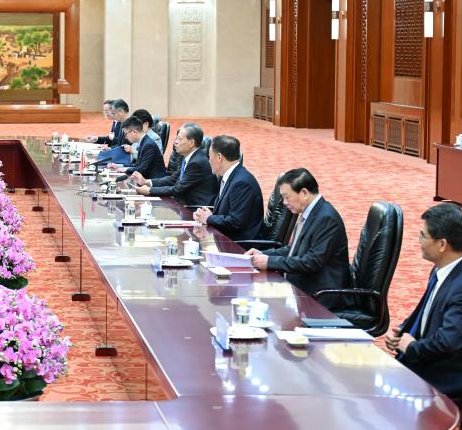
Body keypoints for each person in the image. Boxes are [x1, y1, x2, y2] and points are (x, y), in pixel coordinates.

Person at [386, 203, 462, 405]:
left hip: (448, 376)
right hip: (428, 361)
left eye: (423, 235)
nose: (419, 241)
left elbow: (447, 343)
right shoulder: (441, 270)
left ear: (442, 244)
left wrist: (411, 348)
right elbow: (427, 311)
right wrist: (403, 331)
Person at [244, 168, 350, 309]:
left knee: (257, 301)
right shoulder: (310, 213)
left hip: (319, 294)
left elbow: (311, 262)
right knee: (250, 293)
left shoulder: (326, 218)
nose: (284, 202)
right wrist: (264, 255)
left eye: (287, 197)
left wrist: (270, 262)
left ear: (304, 193)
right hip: (301, 285)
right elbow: (293, 249)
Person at [194, 136, 263, 241]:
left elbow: (236, 222)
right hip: (226, 237)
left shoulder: (241, 183)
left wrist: (209, 218)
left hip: (239, 244)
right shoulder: (231, 176)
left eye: (210, 156)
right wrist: (206, 215)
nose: (208, 160)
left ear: (219, 157)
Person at [131, 122, 218, 207]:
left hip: (195, 208)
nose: (175, 142)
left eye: (179, 139)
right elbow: (172, 179)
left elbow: (178, 189)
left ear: (191, 143)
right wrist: (146, 182)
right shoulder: (190, 157)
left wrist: (150, 190)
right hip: (182, 203)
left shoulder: (197, 163)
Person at [112, 116, 166, 180]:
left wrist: (125, 169)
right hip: (145, 178)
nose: (125, 137)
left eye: (126, 134)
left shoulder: (148, 145)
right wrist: (119, 166)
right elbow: (138, 165)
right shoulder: (143, 142)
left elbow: (142, 169)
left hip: (154, 181)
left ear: (134, 132)